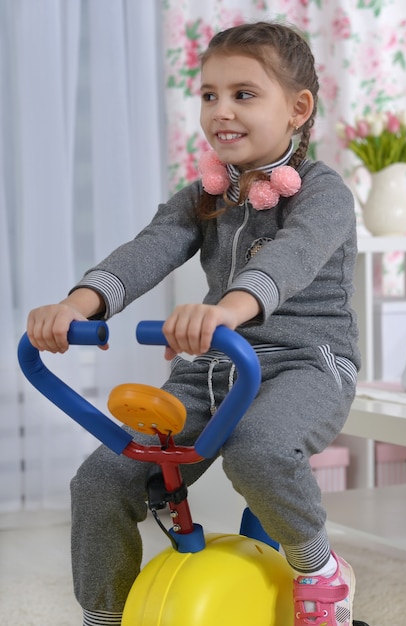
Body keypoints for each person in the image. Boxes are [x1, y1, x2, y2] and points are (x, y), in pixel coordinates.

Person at [27, 21, 360, 626]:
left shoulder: (323, 193)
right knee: (101, 479)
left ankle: (320, 569)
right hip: (212, 366)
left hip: (305, 363)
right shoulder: (203, 196)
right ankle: (105, 614)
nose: (220, 111)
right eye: (209, 95)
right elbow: (145, 251)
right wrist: (76, 306)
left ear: (298, 109)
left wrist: (225, 310)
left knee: (258, 448)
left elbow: (293, 258)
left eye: (243, 94)